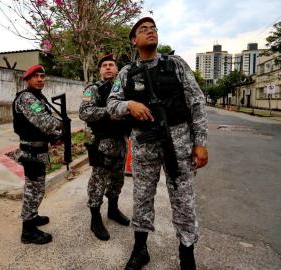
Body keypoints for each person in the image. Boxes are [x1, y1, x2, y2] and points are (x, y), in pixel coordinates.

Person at [107, 17, 209, 270]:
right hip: (144, 143)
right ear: (134, 40)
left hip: (178, 141)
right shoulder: (127, 72)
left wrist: (201, 142)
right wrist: (129, 104)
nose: (150, 32)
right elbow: (111, 105)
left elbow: (196, 102)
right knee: (142, 198)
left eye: (153, 29)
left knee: (183, 199)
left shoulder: (175, 64)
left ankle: (187, 254)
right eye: (144, 29)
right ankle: (140, 249)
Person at [79, 54, 131, 241]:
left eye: (111, 65)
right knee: (98, 183)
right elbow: (84, 112)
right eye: (105, 65)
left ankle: (113, 210)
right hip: (102, 143)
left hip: (120, 142)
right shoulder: (93, 89)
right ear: (100, 70)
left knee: (117, 180)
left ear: (117, 69)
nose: (108, 68)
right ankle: (95, 220)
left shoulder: (124, 89)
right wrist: (110, 112)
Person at [12, 64, 63, 245]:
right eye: (36, 76)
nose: (40, 79)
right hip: (31, 152)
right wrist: (61, 126)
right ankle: (28, 230)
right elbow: (44, 122)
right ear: (27, 79)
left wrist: (56, 136)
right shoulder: (27, 98)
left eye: (42, 76)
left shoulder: (38, 97)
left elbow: (44, 126)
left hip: (38, 150)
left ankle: (32, 216)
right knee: (33, 190)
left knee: (37, 188)